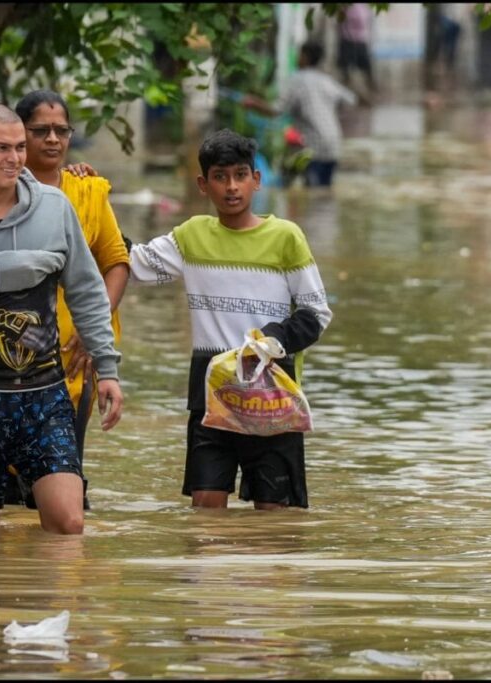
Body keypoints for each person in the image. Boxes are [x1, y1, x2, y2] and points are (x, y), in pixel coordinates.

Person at [127, 129, 333, 510]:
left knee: (274, 515)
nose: (232, 187)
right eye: (220, 177)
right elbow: (131, 261)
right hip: (210, 397)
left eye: (240, 175)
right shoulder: (191, 237)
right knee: (205, 510)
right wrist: (85, 199)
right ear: (203, 185)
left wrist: (272, 340)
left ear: (257, 179)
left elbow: (316, 313)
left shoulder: (286, 238)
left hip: (271, 395)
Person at [0, 103, 124, 535]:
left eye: (19, 148)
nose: (15, 159)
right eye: (1, 148)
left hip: (43, 397)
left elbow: (86, 290)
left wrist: (107, 369)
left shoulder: (54, 208)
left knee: (68, 523)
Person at [14, 89, 131, 510]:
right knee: (3, 487)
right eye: (40, 130)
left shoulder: (88, 190)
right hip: (8, 354)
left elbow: (116, 262)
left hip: (74, 355)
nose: (52, 139)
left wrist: (91, 327)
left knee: (62, 472)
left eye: (61, 131)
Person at [244, 42, 357, 188]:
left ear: (305, 57)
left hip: (312, 148)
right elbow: (351, 100)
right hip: (333, 144)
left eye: (300, 55)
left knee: (311, 191)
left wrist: (254, 103)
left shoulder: (296, 80)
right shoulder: (325, 80)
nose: (297, 58)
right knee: (324, 190)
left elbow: (276, 111)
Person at [337, 3, 377, 97]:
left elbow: (366, 23)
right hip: (348, 40)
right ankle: (345, 92)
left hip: (359, 40)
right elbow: (340, 23)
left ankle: (371, 91)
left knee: (366, 69)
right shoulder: (345, 6)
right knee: (346, 70)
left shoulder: (364, 7)